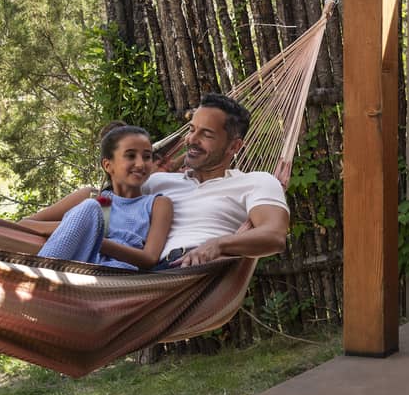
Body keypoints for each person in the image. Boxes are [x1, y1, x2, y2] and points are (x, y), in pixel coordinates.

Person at [144, 93, 289, 268]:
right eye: (191, 130)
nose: (191, 139)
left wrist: (219, 244)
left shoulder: (255, 182)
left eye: (206, 135)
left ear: (234, 146)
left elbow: (274, 236)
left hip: (200, 271)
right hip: (149, 274)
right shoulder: (157, 182)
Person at [24, 124, 175, 269]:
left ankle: (37, 276)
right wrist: (77, 228)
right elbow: (26, 224)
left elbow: (149, 258)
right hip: (77, 264)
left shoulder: (157, 203)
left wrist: (94, 238)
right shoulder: (95, 198)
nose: (141, 164)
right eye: (130, 156)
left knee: (91, 208)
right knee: (91, 206)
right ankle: (38, 275)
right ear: (108, 165)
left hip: (118, 273)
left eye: (147, 157)